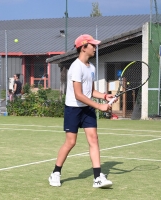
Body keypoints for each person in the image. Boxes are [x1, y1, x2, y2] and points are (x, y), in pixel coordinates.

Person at [48, 34, 115, 188]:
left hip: (87, 108)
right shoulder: (75, 67)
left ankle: (98, 177)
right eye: (93, 45)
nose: (95, 48)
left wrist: (105, 96)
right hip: (73, 108)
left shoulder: (91, 67)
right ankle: (55, 173)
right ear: (84, 47)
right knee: (71, 142)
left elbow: (90, 92)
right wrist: (99, 106)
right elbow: (79, 94)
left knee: (94, 139)